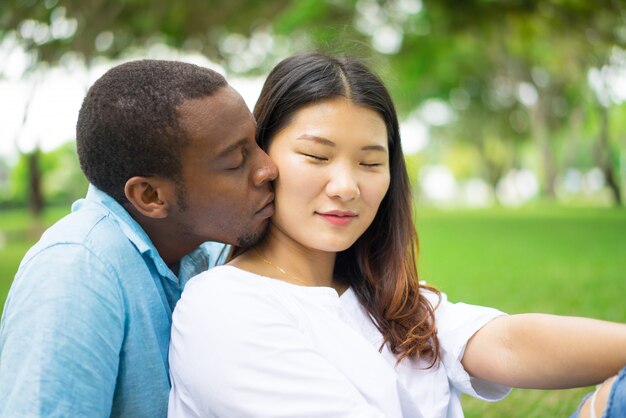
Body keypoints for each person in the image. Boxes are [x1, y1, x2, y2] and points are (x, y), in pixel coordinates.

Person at [168, 52, 626, 418]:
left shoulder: (385, 298)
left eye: (370, 163)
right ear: (263, 159)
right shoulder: (224, 308)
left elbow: (505, 344)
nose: (347, 187)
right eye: (317, 156)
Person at [0, 59, 278, 417]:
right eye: (236, 161)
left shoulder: (207, 251)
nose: (268, 167)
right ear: (150, 197)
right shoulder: (77, 271)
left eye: (257, 143)